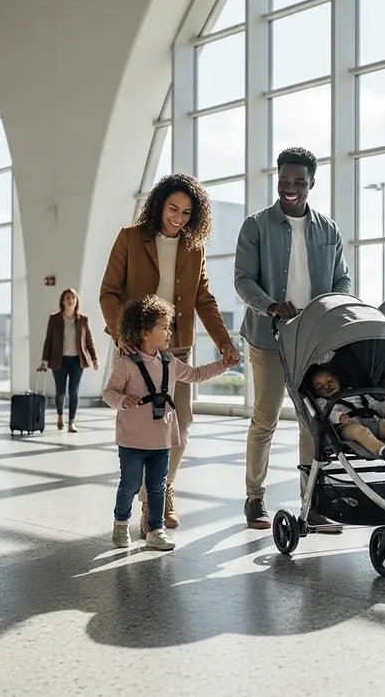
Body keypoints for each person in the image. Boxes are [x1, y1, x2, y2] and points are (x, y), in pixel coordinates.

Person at [100, 174, 240, 535]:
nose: (177, 218)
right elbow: (109, 293)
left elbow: (204, 300)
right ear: (159, 204)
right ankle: (148, 497)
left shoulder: (194, 247)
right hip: (137, 345)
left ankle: (159, 494)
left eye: (186, 213)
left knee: (182, 421)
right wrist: (122, 335)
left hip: (177, 344)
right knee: (141, 422)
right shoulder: (130, 238)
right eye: (172, 209)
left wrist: (224, 341)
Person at [234, 146, 351, 532]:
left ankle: (311, 501)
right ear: (278, 180)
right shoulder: (256, 226)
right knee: (265, 418)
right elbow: (243, 280)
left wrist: (334, 309)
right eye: (284, 180)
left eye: (299, 182)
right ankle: (254, 497)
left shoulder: (328, 230)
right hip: (269, 338)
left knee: (313, 422)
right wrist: (270, 306)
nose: (290, 188)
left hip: (313, 339)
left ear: (311, 184)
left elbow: (342, 280)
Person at [103, 295, 228, 550]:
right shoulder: (126, 364)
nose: (169, 332)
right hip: (132, 440)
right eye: (163, 327)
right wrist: (123, 400)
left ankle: (156, 530)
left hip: (161, 439)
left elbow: (195, 375)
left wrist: (222, 365)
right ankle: (121, 523)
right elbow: (109, 393)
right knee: (129, 484)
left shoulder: (170, 362)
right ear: (146, 332)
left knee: (158, 487)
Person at [40, 288, 99, 433]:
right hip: (58, 360)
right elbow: (49, 340)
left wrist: (94, 358)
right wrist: (44, 360)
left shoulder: (83, 319)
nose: (70, 300)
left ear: (76, 300)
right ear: (63, 301)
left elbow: (89, 341)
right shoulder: (55, 318)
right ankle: (60, 415)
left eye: (73, 298)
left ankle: (71, 422)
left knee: (74, 391)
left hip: (76, 361)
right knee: (60, 392)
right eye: (67, 298)